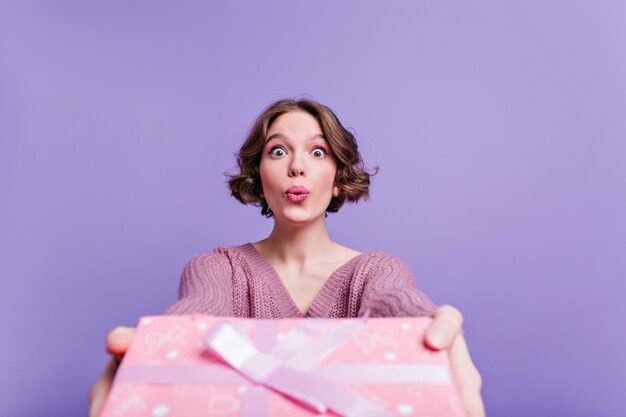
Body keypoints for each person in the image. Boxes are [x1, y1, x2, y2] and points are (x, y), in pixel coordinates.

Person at [89, 99, 485, 416]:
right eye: (278, 151)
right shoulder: (218, 268)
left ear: (338, 178)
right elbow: (196, 314)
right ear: (259, 176)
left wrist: (435, 324)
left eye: (317, 152)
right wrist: (154, 349)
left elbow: (398, 304)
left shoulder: (376, 271)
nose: (297, 166)